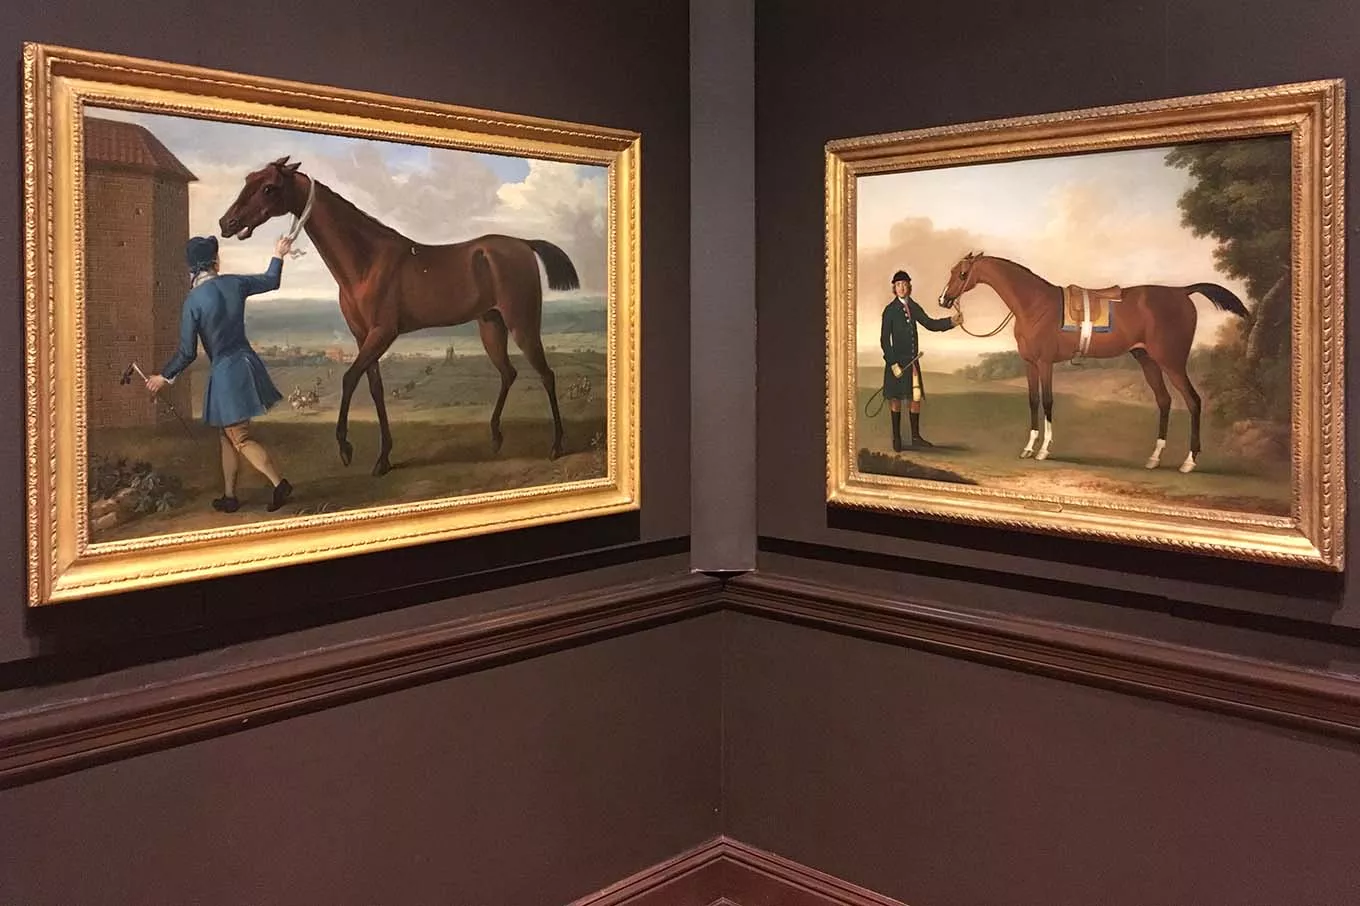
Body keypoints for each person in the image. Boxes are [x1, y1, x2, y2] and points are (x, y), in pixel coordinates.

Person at [146, 234, 295, 513]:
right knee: (226, 436)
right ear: (214, 261)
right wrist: (278, 253)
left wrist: (163, 377)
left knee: (240, 438)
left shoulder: (193, 301)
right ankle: (229, 496)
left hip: (227, 374)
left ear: (191, 268)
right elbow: (271, 280)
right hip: (248, 364)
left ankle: (280, 484)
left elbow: (187, 353)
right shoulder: (234, 283)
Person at [880, 269, 961, 451]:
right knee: (896, 399)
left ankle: (915, 437)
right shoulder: (889, 311)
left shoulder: (914, 306)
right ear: (894, 288)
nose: (901, 288)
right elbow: (884, 340)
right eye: (898, 285)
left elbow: (930, 323)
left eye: (904, 284)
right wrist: (893, 364)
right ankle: (897, 438)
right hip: (896, 364)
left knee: (915, 399)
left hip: (912, 362)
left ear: (909, 286)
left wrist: (951, 322)